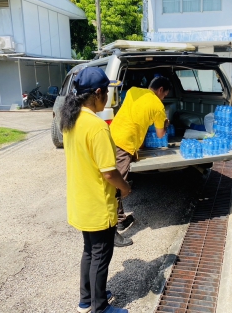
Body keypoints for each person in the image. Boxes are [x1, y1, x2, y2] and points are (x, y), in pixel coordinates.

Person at [60, 67, 131, 313]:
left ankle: (86, 300)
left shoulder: (71, 120)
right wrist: (125, 187)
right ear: (98, 93)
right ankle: (99, 308)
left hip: (81, 201)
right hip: (98, 205)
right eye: (108, 93)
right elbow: (109, 172)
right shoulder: (97, 126)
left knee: (90, 251)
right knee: (101, 256)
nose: (108, 98)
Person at [110, 76, 171, 247]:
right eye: (165, 95)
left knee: (115, 182)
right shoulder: (158, 106)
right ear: (160, 90)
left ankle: (120, 219)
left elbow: (136, 115)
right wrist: (165, 124)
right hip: (124, 144)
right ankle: (111, 231)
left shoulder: (133, 91)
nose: (164, 98)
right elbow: (160, 135)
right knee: (116, 186)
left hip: (111, 135)